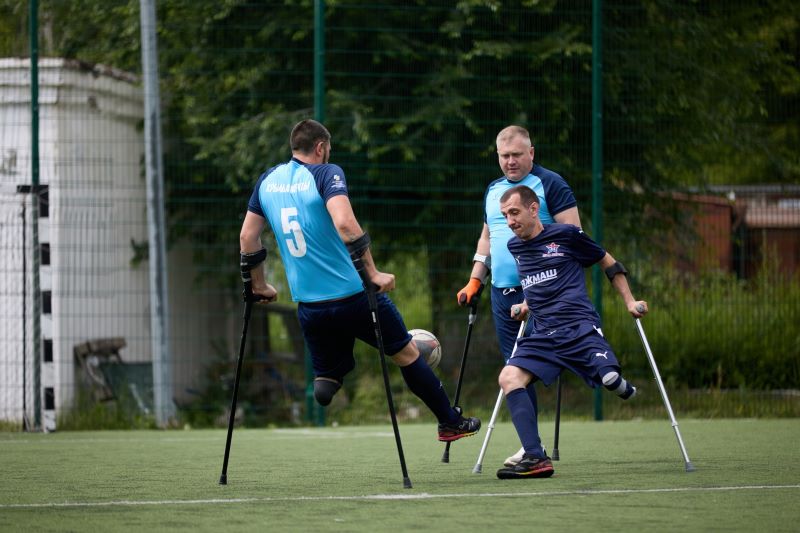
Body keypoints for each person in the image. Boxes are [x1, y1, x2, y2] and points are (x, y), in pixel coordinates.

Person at [239, 118, 480, 442]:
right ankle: (449, 422)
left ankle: (330, 377)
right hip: (354, 297)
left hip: (310, 308)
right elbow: (346, 225)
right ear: (321, 147)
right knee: (407, 354)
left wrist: (258, 285)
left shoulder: (267, 181)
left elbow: (247, 237)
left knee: (325, 381)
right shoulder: (326, 173)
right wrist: (373, 273)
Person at [492, 184, 646, 479]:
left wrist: (630, 301)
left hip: (577, 325)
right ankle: (535, 457)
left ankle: (616, 382)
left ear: (533, 209)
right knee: (508, 377)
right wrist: (525, 304)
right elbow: (537, 282)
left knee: (608, 376)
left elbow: (607, 261)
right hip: (543, 333)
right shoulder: (515, 247)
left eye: (514, 212)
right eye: (505, 215)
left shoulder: (566, 235)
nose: (510, 221)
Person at [457, 125, 581, 466]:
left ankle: (598, 368)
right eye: (504, 156)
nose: (510, 162)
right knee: (514, 367)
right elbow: (488, 238)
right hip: (502, 293)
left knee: (527, 365)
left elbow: (573, 236)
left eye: (516, 155)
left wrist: (548, 284)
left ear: (531, 153)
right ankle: (531, 446)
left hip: (543, 291)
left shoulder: (551, 184)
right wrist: (475, 280)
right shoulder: (493, 189)